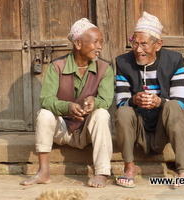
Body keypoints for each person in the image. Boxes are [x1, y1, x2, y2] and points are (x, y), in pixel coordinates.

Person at [20, 18, 114, 188]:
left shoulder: (105, 68)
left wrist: (95, 101)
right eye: (95, 42)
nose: (100, 46)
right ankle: (43, 172)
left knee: (102, 113)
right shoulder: (57, 66)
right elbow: (46, 99)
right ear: (78, 43)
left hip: (87, 130)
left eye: (101, 42)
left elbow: (106, 101)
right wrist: (68, 107)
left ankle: (101, 173)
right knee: (44, 113)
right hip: (63, 130)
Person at [114, 12, 184, 188]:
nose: (138, 49)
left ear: (158, 45)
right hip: (138, 129)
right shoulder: (123, 62)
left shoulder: (174, 60)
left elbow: (180, 103)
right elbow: (120, 103)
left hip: (162, 129)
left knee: (172, 106)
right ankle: (129, 168)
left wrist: (160, 102)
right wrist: (134, 100)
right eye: (134, 43)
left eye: (144, 44)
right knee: (124, 111)